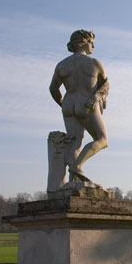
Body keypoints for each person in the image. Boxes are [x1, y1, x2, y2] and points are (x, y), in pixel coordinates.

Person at [49, 30, 109, 183]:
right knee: (102, 140)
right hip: (87, 103)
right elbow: (105, 85)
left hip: (69, 103)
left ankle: (74, 181)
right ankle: (77, 166)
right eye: (91, 42)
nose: (93, 46)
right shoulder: (94, 63)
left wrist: (63, 104)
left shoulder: (62, 65)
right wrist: (97, 97)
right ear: (84, 42)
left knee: (74, 143)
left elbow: (53, 89)